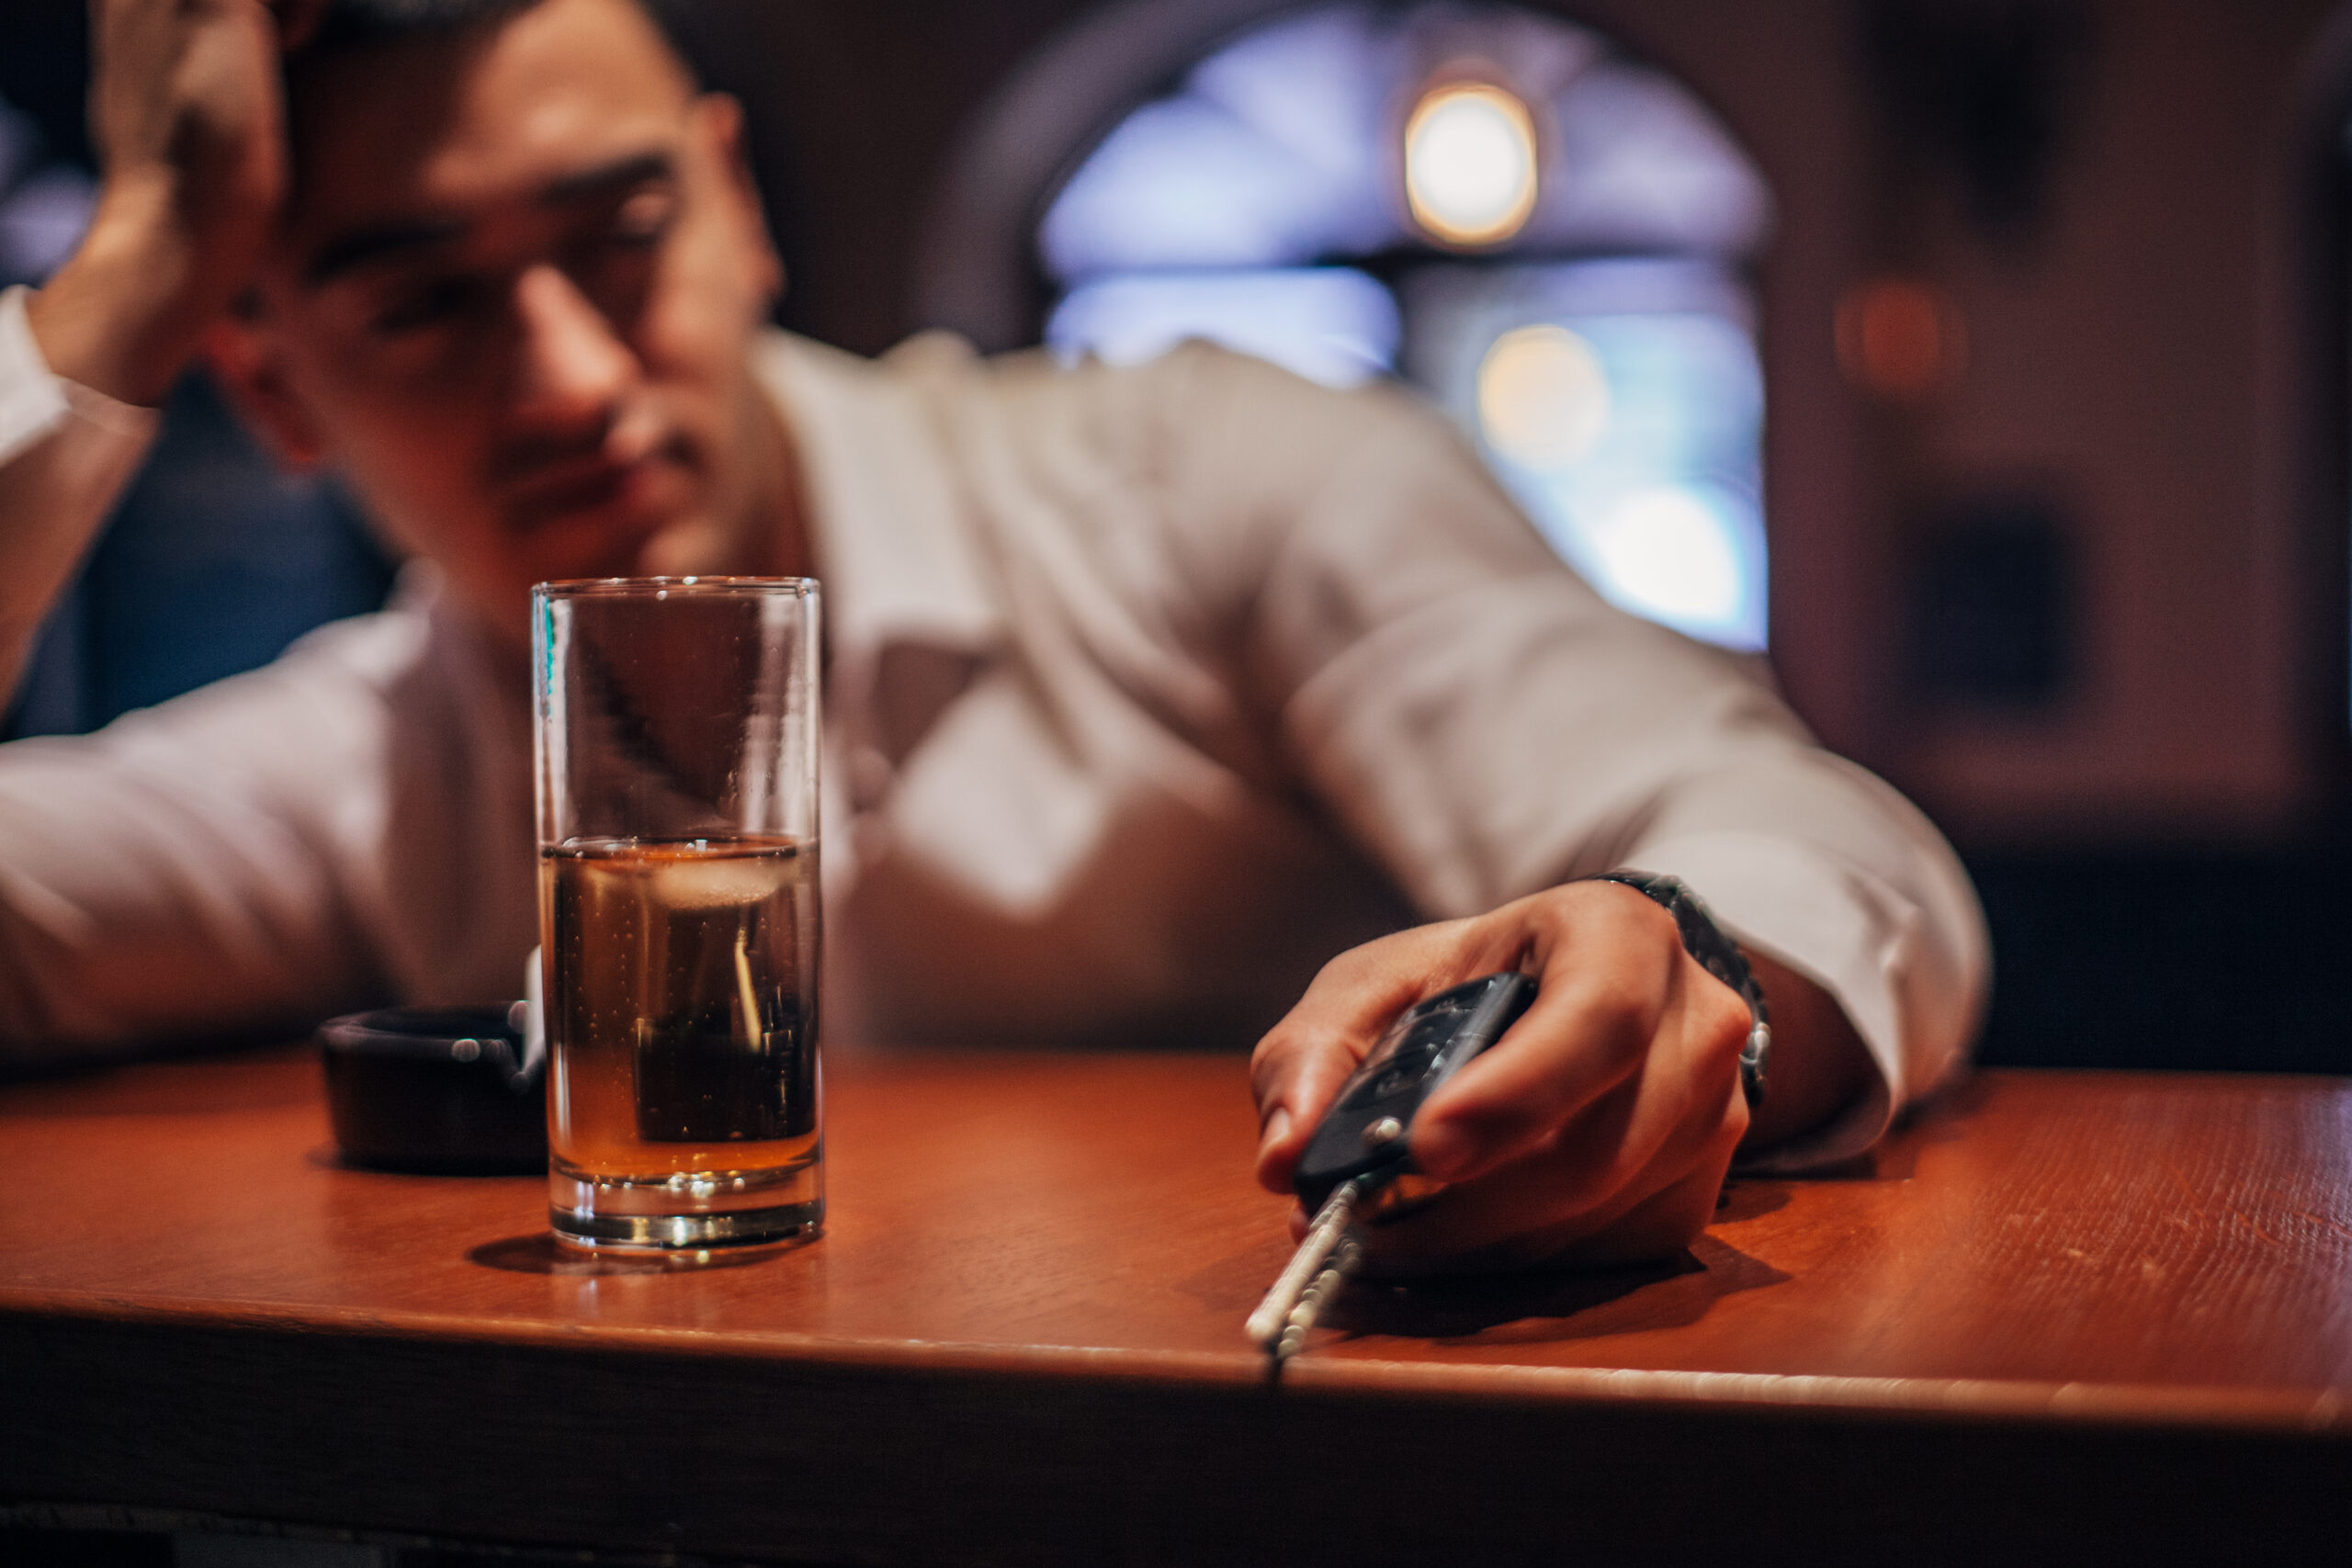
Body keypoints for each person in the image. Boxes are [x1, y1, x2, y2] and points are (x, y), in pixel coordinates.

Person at [0, 0, 1985, 1271]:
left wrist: (1687, 958)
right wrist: (121, 290)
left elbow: (1778, 814)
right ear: (264, 385)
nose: (569, 373)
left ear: (734, 199)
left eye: (617, 235)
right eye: (422, 302)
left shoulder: (1203, 472)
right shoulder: (369, 754)